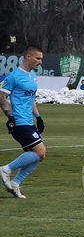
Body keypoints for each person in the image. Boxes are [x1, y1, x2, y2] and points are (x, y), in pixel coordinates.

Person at [1, 45, 46, 200]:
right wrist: (11, 117)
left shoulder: (32, 76)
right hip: (19, 122)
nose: (40, 61)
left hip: (29, 121)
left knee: (39, 156)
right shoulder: (14, 77)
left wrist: (38, 118)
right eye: (38, 58)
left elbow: (31, 98)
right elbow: (2, 98)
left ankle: (15, 183)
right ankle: (5, 169)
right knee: (40, 152)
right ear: (28, 57)